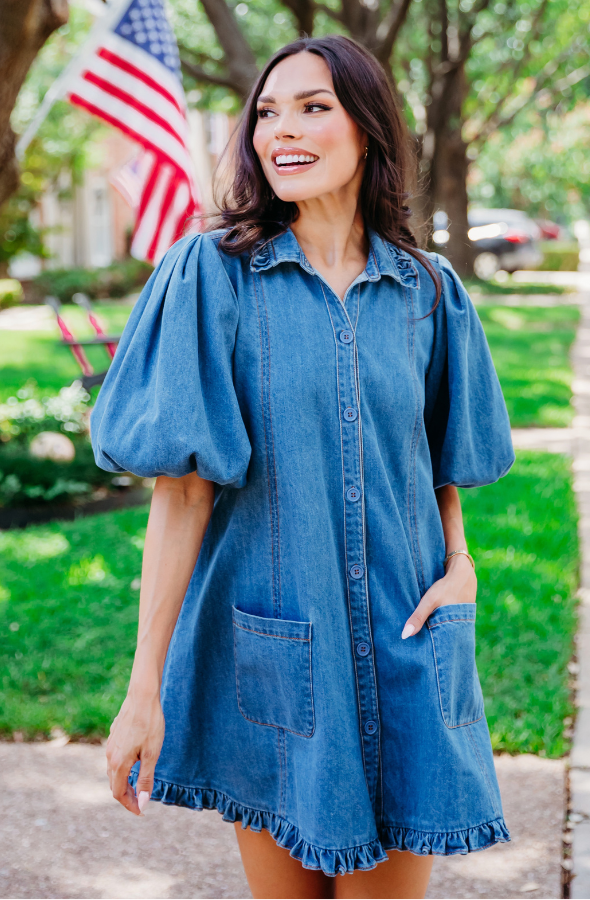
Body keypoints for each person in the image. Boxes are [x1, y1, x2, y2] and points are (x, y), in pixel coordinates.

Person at [91, 35, 515, 900]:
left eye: (314, 107)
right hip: (277, 651)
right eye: (268, 112)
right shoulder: (213, 276)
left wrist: (460, 565)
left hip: (411, 638)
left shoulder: (430, 291)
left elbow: (438, 461)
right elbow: (182, 492)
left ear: (368, 130)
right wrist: (144, 692)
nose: (282, 128)